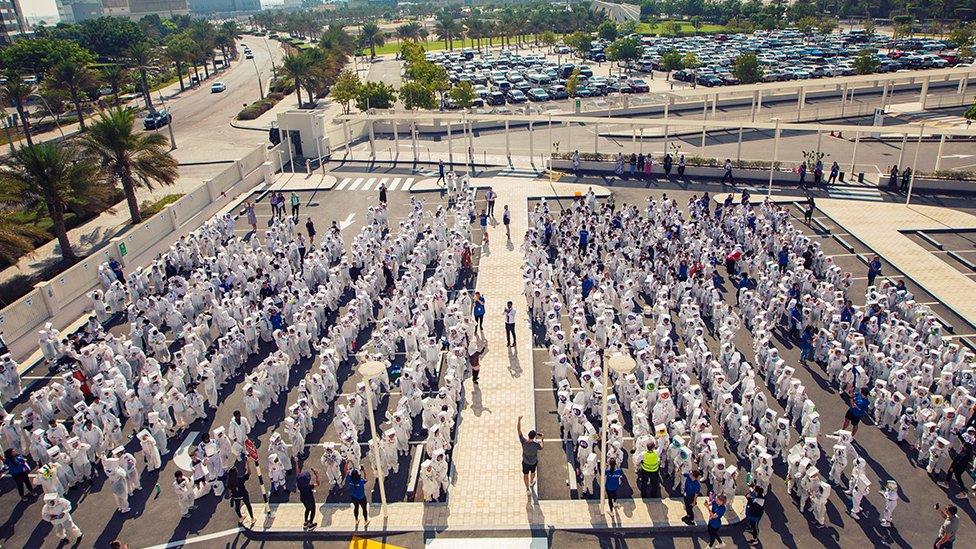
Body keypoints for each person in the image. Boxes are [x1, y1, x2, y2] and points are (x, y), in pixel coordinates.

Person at [517, 416, 543, 492]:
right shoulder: (536, 445)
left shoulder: (523, 441)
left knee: (525, 475)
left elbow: (518, 430)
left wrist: (519, 420)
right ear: (534, 436)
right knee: (533, 472)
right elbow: (542, 447)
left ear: (528, 435)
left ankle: (527, 489)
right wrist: (542, 439)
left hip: (525, 462)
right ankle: (531, 482)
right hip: (533, 462)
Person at [296, 464, 320, 530]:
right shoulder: (309, 487)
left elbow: (298, 474)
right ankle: (311, 524)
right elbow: (318, 484)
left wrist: (296, 463)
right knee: (313, 510)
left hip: (303, 499)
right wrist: (316, 475)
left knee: (307, 509)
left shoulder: (299, 485)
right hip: (310, 499)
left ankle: (306, 522)